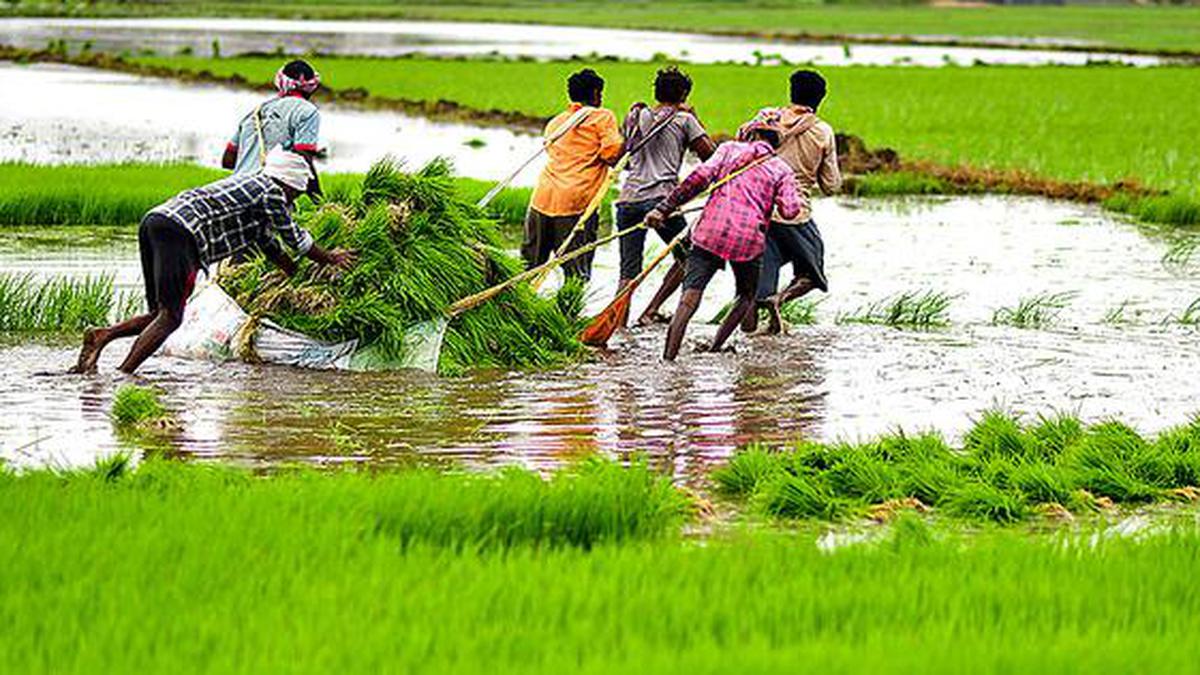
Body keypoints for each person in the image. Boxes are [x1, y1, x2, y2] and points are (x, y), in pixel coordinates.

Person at [70, 148, 354, 375]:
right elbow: (293, 237)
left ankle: (102, 336)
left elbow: (269, 244)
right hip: (182, 233)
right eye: (297, 192)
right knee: (171, 318)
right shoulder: (271, 191)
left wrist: (295, 274)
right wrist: (330, 257)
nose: (294, 199)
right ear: (290, 184)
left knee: (160, 311)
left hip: (157, 221)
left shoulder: (253, 190)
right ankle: (124, 375)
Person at [646, 120, 801, 361]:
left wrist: (663, 209)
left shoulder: (728, 149)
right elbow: (791, 210)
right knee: (746, 294)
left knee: (689, 296)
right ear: (775, 142)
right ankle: (716, 346)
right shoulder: (782, 169)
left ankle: (668, 358)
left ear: (753, 133)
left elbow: (698, 179)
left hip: (710, 231)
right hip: (748, 240)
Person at [614, 66, 716, 328]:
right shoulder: (685, 120)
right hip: (662, 202)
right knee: (690, 257)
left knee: (628, 272)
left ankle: (616, 329)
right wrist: (696, 118)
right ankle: (651, 310)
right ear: (683, 95)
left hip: (628, 199)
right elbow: (711, 158)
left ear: (656, 92)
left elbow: (624, 158)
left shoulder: (635, 116)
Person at [742, 69, 842, 335]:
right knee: (812, 274)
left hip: (759, 211)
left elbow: (742, 149)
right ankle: (779, 301)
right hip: (795, 213)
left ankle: (748, 338)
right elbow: (831, 185)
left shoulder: (767, 119)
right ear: (820, 98)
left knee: (753, 284)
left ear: (791, 91)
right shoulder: (822, 131)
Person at [523, 68, 623, 281]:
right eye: (600, 93)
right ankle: (568, 314)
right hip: (574, 203)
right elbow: (612, 154)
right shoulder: (602, 117)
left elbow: (553, 152)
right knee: (576, 274)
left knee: (528, 269)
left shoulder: (557, 122)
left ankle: (516, 311)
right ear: (596, 94)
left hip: (541, 199)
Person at [223, 59, 323, 201]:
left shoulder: (255, 112)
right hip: (266, 192)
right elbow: (303, 159)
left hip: (233, 191)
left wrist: (250, 161)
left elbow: (227, 160)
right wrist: (318, 200)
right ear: (312, 86)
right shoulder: (307, 111)